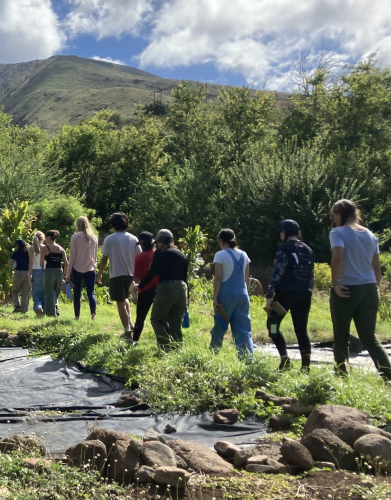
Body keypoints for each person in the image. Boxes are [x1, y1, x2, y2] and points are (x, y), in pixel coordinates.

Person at [330, 199, 391, 379]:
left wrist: (335, 283)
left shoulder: (337, 232)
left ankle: (341, 377)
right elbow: (376, 267)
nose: (333, 220)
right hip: (370, 288)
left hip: (346, 288)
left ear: (340, 214)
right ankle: (388, 376)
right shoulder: (370, 234)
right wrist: (374, 288)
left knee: (340, 337)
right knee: (369, 338)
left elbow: (338, 257)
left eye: (333, 216)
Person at [265, 220, 315, 371]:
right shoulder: (308, 250)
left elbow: (277, 273)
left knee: (272, 325)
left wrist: (269, 295)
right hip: (304, 294)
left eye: (281, 231)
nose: (280, 234)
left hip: (284, 294)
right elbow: (311, 276)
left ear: (285, 232)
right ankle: (305, 367)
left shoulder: (283, 249)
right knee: (301, 331)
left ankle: (284, 359)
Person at [133, 229, 188, 351]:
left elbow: (153, 272)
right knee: (175, 323)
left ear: (161, 241)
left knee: (157, 319)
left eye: (158, 242)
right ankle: (177, 349)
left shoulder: (160, 253)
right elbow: (185, 278)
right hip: (182, 289)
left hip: (166, 287)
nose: (157, 245)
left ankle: (165, 347)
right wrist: (187, 298)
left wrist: (140, 287)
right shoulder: (181, 254)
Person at [210, 229, 254, 361]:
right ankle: (247, 358)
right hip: (242, 294)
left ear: (221, 241)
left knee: (220, 324)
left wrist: (215, 297)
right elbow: (245, 278)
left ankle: (213, 356)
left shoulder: (220, 254)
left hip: (226, 294)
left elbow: (218, 277)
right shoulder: (244, 254)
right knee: (243, 328)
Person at [97, 213, 141, 336]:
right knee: (126, 298)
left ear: (113, 225)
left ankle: (127, 330)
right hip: (132, 274)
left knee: (120, 302)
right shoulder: (133, 238)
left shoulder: (109, 239)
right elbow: (139, 256)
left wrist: (99, 273)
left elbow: (104, 258)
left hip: (117, 274)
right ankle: (130, 322)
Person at [66, 216, 98, 321]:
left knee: (77, 293)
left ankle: (77, 316)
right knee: (91, 293)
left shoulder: (75, 237)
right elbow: (95, 255)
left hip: (77, 268)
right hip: (90, 268)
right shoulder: (94, 237)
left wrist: (68, 273)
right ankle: (93, 315)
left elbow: (72, 256)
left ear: (78, 225)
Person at [131, 232, 159, 345]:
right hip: (160, 289)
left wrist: (134, 295)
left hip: (145, 290)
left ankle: (135, 341)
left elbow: (136, 278)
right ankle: (164, 342)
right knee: (160, 318)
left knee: (140, 317)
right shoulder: (159, 254)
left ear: (142, 244)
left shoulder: (140, 257)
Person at [41, 230, 68, 317]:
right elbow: (66, 263)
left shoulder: (45, 248)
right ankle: (55, 309)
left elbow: (41, 263)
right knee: (56, 292)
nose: (45, 240)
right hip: (59, 272)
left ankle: (51, 314)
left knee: (49, 293)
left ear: (49, 237)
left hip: (49, 271)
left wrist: (45, 269)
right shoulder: (61, 249)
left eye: (45, 238)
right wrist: (64, 274)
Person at [8, 239, 31, 314]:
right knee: (25, 292)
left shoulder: (16, 253)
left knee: (15, 290)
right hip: (28, 273)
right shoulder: (28, 253)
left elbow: (10, 263)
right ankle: (24, 309)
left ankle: (17, 306)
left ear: (17, 245)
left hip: (19, 272)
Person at [28, 231, 45, 316]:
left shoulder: (31, 249)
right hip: (45, 271)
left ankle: (38, 307)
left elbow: (31, 263)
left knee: (36, 293)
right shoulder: (45, 248)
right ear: (42, 239)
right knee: (44, 292)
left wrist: (29, 275)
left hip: (36, 271)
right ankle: (44, 311)